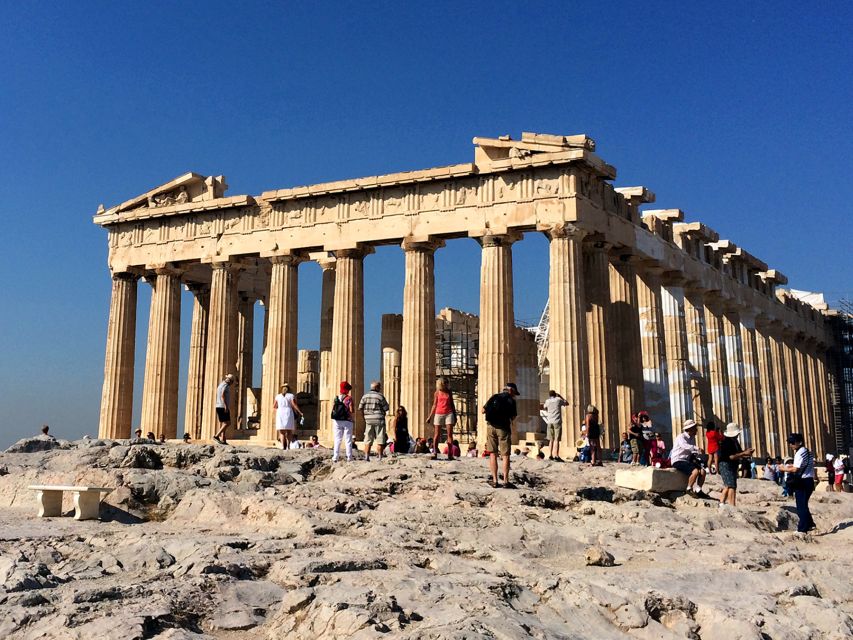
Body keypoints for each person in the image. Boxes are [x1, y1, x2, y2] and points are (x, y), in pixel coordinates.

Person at [482, 382, 520, 488]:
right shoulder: (511, 401)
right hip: (503, 428)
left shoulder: (494, 397)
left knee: (493, 454)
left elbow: (482, 410)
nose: (514, 395)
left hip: (490, 427)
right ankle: (506, 481)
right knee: (505, 455)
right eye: (514, 393)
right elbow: (513, 417)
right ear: (511, 391)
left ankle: (495, 480)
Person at [778, 433, 816, 533]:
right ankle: (810, 524)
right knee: (804, 504)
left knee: (800, 506)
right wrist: (788, 467)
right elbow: (802, 466)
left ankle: (802, 529)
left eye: (792, 442)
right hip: (809, 480)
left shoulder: (799, 453)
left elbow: (796, 469)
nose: (790, 445)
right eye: (789, 442)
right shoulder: (808, 452)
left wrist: (783, 469)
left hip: (802, 481)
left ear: (799, 442)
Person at [717, 423, 754, 508]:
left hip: (732, 465)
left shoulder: (735, 442)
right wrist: (744, 453)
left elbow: (739, 453)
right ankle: (732, 506)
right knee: (731, 485)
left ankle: (721, 503)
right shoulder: (727, 442)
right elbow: (731, 456)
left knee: (728, 484)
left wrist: (747, 452)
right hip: (726, 464)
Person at [670, 419, 709, 498]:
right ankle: (689, 488)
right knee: (695, 471)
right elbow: (684, 446)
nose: (696, 430)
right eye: (695, 428)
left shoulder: (691, 438)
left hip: (686, 460)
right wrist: (697, 448)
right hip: (678, 460)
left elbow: (690, 451)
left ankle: (698, 490)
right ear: (690, 429)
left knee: (702, 471)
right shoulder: (681, 437)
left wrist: (698, 454)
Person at [426, 378, 457, 461]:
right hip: (438, 413)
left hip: (449, 413)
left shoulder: (449, 392)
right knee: (437, 434)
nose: (447, 384)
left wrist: (455, 415)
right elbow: (434, 405)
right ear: (441, 384)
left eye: (447, 382)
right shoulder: (437, 393)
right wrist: (429, 416)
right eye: (445, 383)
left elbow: (452, 404)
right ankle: (435, 452)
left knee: (449, 434)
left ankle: (450, 454)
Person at [359, 381, 390, 461]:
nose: (380, 389)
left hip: (368, 420)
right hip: (379, 419)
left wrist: (364, 418)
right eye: (379, 387)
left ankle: (367, 456)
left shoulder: (365, 396)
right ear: (377, 388)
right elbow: (386, 408)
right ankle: (380, 456)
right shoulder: (380, 396)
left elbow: (360, 408)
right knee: (380, 438)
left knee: (368, 439)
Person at [331, 381, 355, 463]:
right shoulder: (349, 398)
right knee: (348, 439)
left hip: (337, 421)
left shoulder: (336, 398)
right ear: (347, 390)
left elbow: (333, 409)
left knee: (337, 439)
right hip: (347, 420)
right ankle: (349, 457)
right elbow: (352, 410)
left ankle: (335, 457)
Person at [274, 383, 303, 450]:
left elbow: (274, 406)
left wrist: (277, 412)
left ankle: (283, 446)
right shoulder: (291, 396)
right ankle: (288, 445)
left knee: (282, 431)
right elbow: (294, 405)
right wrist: (300, 412)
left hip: (280, 412)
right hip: (288, 412)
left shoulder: (278, 396)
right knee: (289, 431)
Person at [541, 390, 568, 461]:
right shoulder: (558, 400)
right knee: (556, 440)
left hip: (549, 421)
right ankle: (556, 455)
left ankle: (550, 455)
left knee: (551, 440)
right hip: (557, 421)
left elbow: (544, 407)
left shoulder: (547, 401)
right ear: (555, 394)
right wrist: (560, 396)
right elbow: (567, 403)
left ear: (549, 395)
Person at [214, 373, 236, 445]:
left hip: (218, 406)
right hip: (222, 406)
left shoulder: (220, 384)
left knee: (224, 423)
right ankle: (216, 436)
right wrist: (226, 405)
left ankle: (223, 439)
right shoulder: (225, 386)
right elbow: (223, 395)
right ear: (230, 381)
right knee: (228, 423)